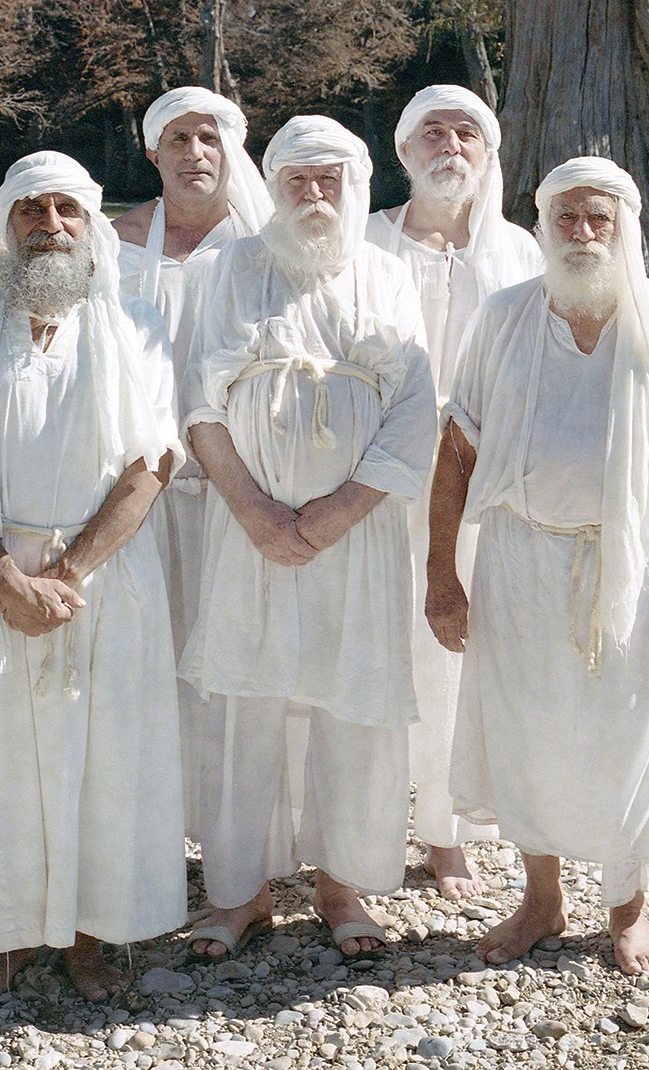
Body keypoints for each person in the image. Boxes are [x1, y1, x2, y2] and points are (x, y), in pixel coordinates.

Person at [427, 156, 649, 974]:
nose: (584, 232)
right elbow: (455, 454)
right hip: (520, 558)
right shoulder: (503, 317)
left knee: (633, 733)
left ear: (628, 228)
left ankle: (630, 913)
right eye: (568, 217)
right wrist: (441, 576)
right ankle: (541, 899)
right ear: (543, 225)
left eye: (601, 219)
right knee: (529, 731)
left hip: (638, 562)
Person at [0, 151, 186, 1005]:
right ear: (7, 228)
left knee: (105, 763)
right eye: (32, 212)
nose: (51, 226)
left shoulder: (136, 331)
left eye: (67, 210)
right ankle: (4, 937)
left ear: (92, 226)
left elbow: (151, 466)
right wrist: (4, 578)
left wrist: (64, 576)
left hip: (107, 583)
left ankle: (91, 936)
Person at [180, 115, 435, 960]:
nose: (314, 194)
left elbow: (411, 414)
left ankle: (343, 885)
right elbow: (198, 405)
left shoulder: (389, 277)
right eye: (298, 179)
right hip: (246, 533)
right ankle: (240, 893)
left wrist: (338, 512)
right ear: (275, 185)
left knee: (350, 705)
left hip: (355, 540)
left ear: (357, 188)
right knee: (245, 711)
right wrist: (254, 511)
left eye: (329, 179)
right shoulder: (228, 268)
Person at [366, 84, 543, 900]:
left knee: (454, 654)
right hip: (371, 478)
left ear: (487, 150)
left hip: (478, 479)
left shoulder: (521, 252)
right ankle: (351, 827)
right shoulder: (365, 241)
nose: (450, 144)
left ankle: (448, 832)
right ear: (405, 151)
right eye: (432, 131)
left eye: (466, 132)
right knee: (369, 648)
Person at [115, 86, 272, 830]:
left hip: (238, 484)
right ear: (153, 152)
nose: (194, 153)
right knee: (147, 653)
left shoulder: (263, 241)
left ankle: (239, 836)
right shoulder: (114, 241)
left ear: (232, 148)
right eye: (177, 139)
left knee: (232, 657)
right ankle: (154, 828)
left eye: (208, 139)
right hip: (137, 484)